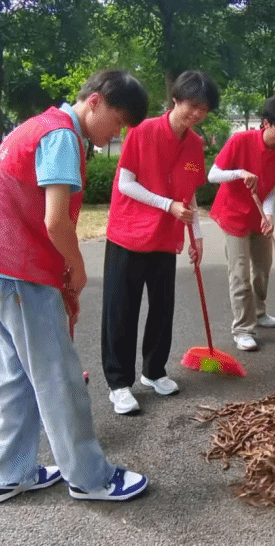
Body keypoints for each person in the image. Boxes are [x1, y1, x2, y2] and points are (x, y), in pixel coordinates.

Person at [0, 69, 150, 504]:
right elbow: (55, 220)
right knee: (58, 378)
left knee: (14, 377)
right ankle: (91, 478)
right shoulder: (62, 135)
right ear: (95, 101)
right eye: (118, 122)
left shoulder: (39, 124)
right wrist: (77, 269)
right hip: (18, 268)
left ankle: (10, 473)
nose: (117, 134)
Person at [102, 70, 219, 414]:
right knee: (122, 311)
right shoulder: (142, 130)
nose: (197, 114)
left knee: (162, 308)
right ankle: (119, 383)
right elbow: (125, 183)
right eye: (192, 105)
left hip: (166, 237)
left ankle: (154, 371)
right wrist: (167, 205)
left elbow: (189, 193)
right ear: (175, 100)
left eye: (204, 109)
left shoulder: (194, 144)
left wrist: (197, 236)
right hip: (129, 233)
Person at [208, 94, 275, 352]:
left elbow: (272, 187)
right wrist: (239, 173)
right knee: (240, 273)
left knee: (262, 268)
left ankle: (259, 312)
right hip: (233, 214)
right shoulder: (240, 141)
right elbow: (213, 175)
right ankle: (242, 329)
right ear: (266, 123)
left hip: (259, 216)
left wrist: (268, 214)